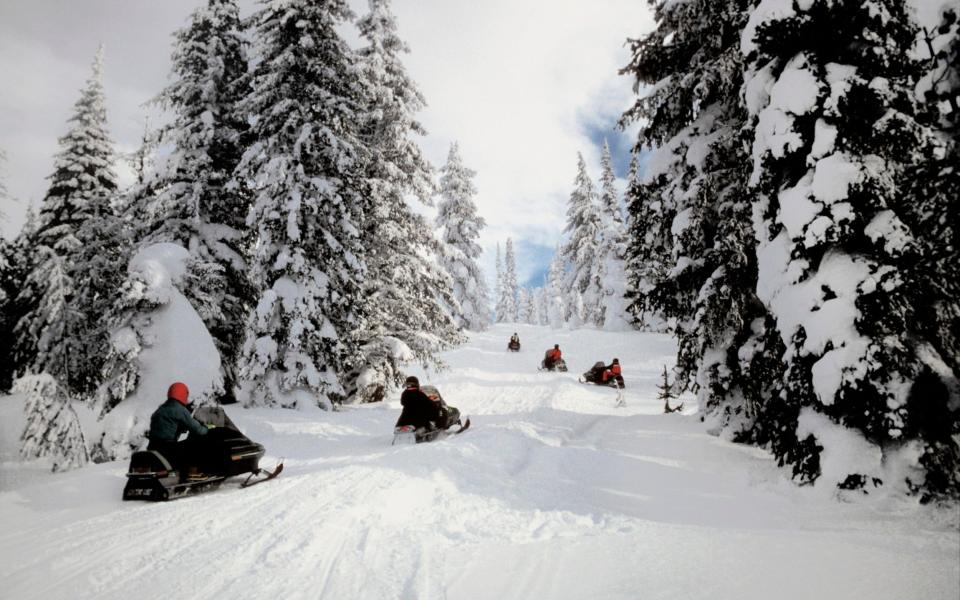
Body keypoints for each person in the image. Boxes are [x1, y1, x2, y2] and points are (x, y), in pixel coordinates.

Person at [147, 382, 210, 472]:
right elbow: (198, 430)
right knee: (194, 446)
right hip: (168, 448)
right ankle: (194, 473)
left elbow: (166, 425)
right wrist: (206, 428)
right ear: (183, 394)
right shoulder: (179, 409)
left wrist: (181, 428)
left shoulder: (160, 409)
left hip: (153, 446)